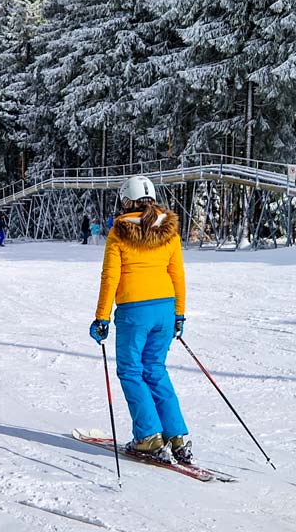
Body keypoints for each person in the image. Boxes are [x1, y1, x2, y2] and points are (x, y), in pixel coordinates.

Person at [89, 175, 192, 465]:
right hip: (165, 308)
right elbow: (178, 275)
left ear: (126, 201)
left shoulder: (119, 231)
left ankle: (148, 437)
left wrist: (101, 317)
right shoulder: (169, 230)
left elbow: (110, 277)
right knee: (155, 370)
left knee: (132, 371)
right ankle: (176, 436)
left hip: (135, 311)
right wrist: (179, 313)